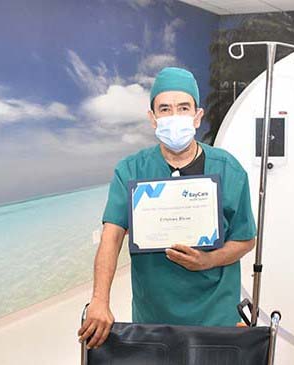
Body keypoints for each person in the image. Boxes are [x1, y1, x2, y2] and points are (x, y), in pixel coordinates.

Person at [78, 67, 256, 348]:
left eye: (183, 108)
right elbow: (110, 237)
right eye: (165, 109)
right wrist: (100, 300)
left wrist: (208, 260)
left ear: (197, 116)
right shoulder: (131, 170)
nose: (174, 117)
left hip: (215, 314)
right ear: (153, 118)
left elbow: (246, 239)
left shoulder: (229, 170)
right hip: (154, 316)